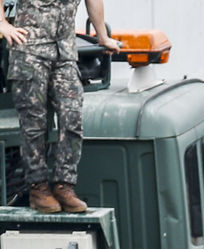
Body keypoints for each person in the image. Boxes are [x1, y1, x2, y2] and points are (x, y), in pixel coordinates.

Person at [0, 0, 120, 213]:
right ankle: (39, 188)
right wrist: (2, 22)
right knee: (34, 123)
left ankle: (65, 185)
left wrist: (102, 35)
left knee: (72, 115)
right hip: (30, 50)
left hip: (64, 51)